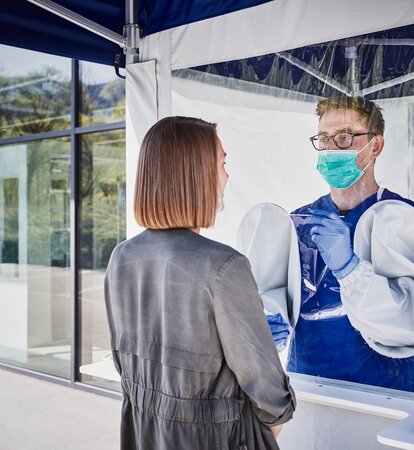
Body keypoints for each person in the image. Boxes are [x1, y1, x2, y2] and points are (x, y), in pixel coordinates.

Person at [104, 116, 295, 450]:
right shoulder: (224, 266)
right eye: (221, 162)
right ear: (194, 173)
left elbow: (132, 358)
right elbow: (267, 392)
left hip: (143, 433)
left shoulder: (121, 257)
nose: (226, 174)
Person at [282, 96, 414, 390]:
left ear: (375, 146)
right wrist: (265, 318)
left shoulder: (403, 218)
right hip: (307, 391)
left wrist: (349, 269)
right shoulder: (299, 222)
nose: (330, 149)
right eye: (323, 138)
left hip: (387, 395)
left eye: (344, 137)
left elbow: (409, 320)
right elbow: (276, 296)